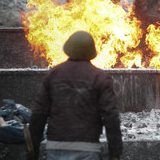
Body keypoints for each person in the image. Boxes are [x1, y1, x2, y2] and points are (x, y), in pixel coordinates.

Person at [28, 31, 123, 160]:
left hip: (56, 146)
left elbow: (39, 114)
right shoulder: (100, 77)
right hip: (88, 148)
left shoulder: (53, 74)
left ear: (68, 50)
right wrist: (115, 154)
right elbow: (111, 117)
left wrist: (32, 151)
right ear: (91, 52)